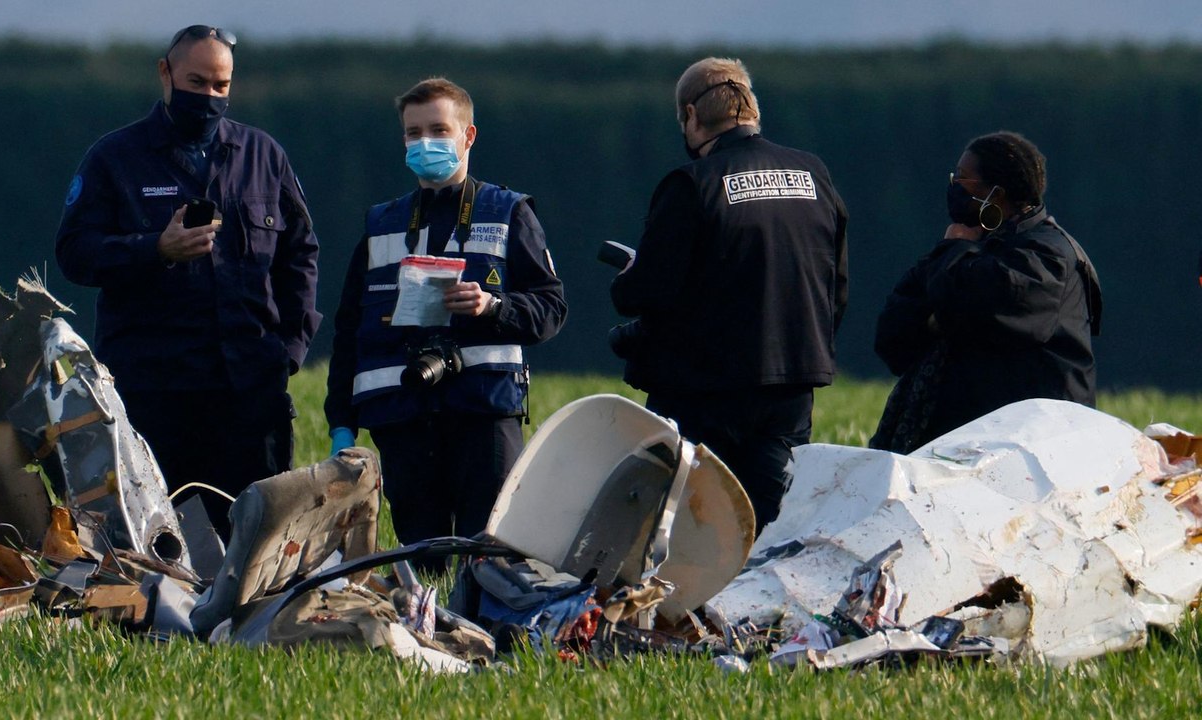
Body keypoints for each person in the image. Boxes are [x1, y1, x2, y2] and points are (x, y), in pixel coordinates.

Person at [55, 25, 320, 537]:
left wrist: (289, 348)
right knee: (156, 542)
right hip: (155, 391)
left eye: (221, 86)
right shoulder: (116, 158)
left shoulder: (262, 156)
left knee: (255, 542)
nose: (209, 97)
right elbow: (74, 253)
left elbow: (301, 253)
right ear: (165, 73)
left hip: (247, 392)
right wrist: (155, 248)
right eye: (196, 82)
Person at [324, 78, 566, 556]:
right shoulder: (382, 223)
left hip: (482, 412)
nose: (425, 143)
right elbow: (350, 330)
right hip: (403, 416)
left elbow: (551, 308)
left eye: (438, 129)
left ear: (468, 136)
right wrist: (341, 424)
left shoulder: (508, 212)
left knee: (491, 552)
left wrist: (492, 307)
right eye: (413, 133)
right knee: (423, 554)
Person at [609, 57, 849, 532]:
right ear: (752, 108)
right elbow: (835, 286)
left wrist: (628, 280)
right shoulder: (813, 173)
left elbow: (646, 291)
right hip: (791, 384)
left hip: (703, 394)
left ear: (692, 117)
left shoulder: (690, 184)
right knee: (774, 527)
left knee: (686, 530)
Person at [871, 131, 1102, 453]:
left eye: (963, 178)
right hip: (963, 438)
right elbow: (893, 331)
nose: (954, 185)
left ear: (996, 193)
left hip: (1033, 446)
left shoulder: (1045, 256)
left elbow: (972, 305)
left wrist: (952, 257)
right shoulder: (963, 246)